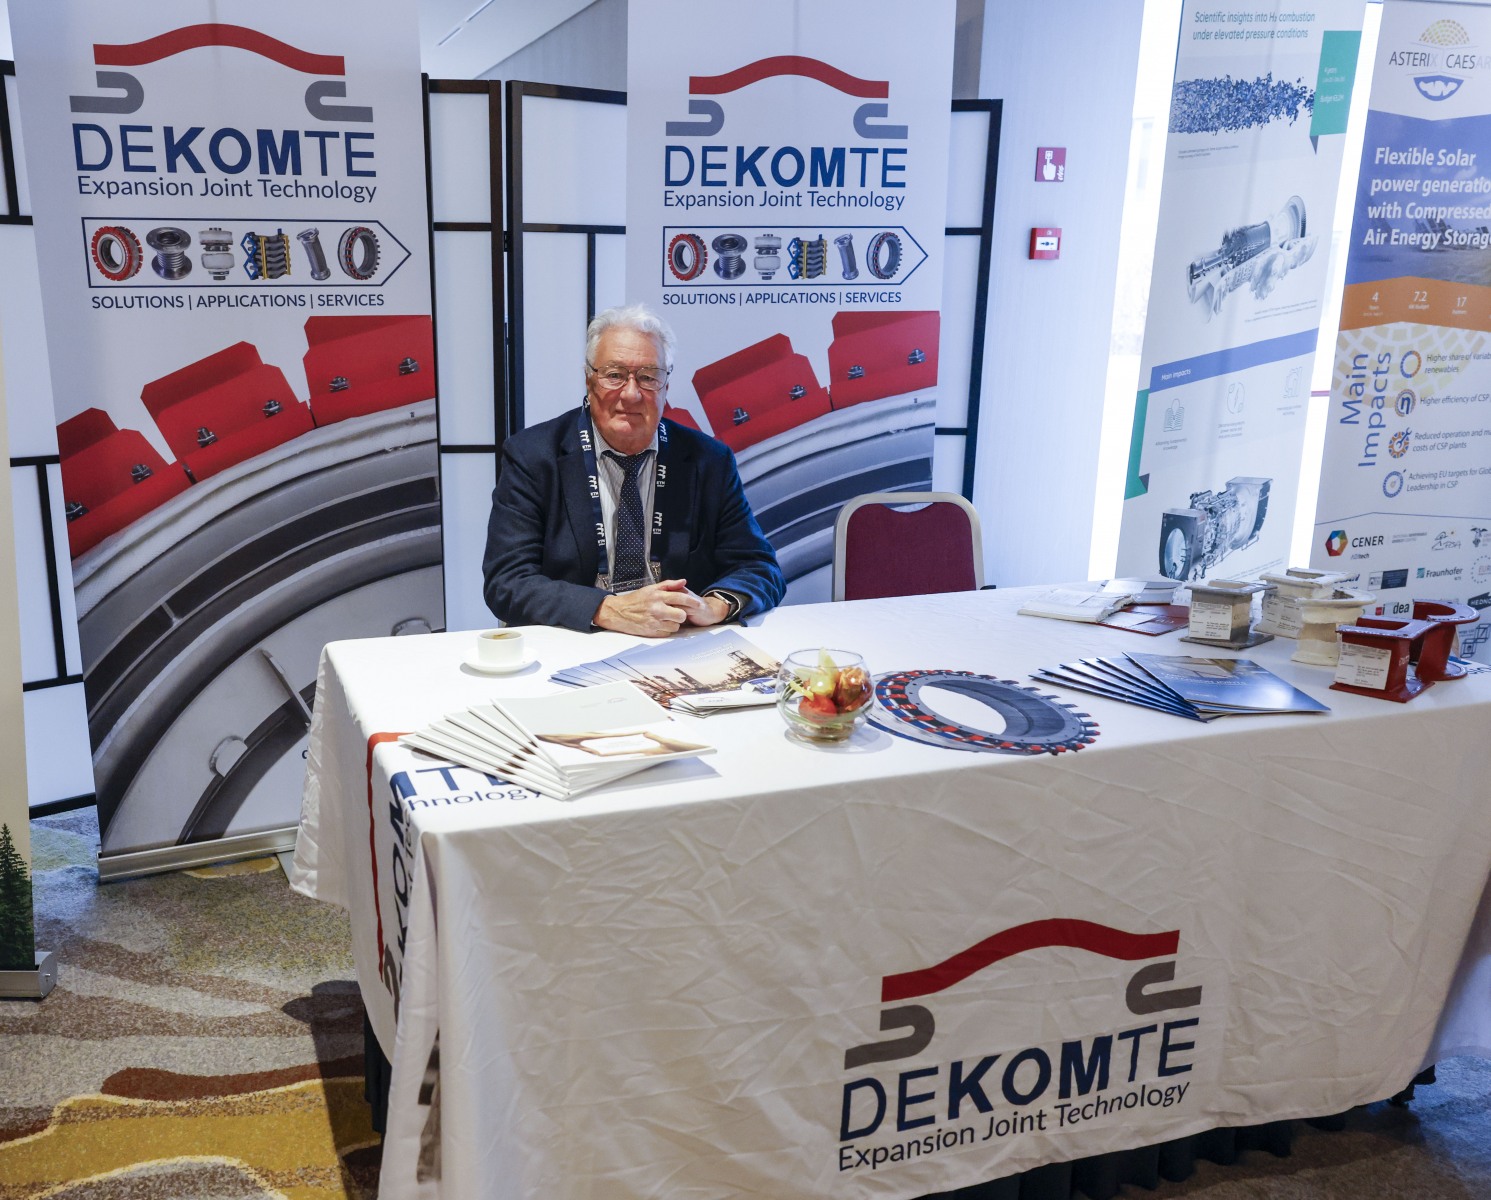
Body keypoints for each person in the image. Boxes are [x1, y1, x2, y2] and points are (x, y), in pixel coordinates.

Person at [482, 303, 785, 636]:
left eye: (648, 377)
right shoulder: (533, 456)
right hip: (576, 641)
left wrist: (714, 606)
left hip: (675, 643)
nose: (631, 394)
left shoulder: (709, 461)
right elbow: (506, 582)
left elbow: (759, 566)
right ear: (589, 380)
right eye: (614, 375)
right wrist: (607, 609)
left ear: (666, 386)